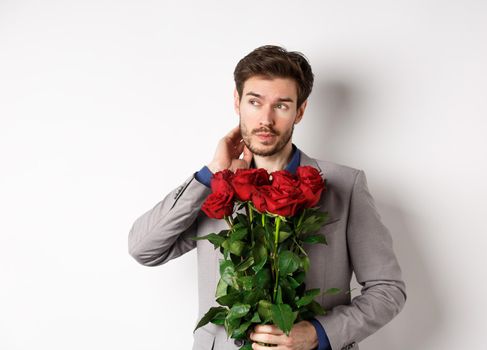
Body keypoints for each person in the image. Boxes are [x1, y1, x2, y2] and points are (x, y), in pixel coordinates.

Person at [128, 45, 406, 350]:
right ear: (237, 102)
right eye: (254, 102)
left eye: (282, 105)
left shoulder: (345, 185)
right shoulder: (213, 189)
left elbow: (387, 290)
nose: (266, 119)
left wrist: (318, 333)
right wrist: (211, 173)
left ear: (300, 111)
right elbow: (144, 249)